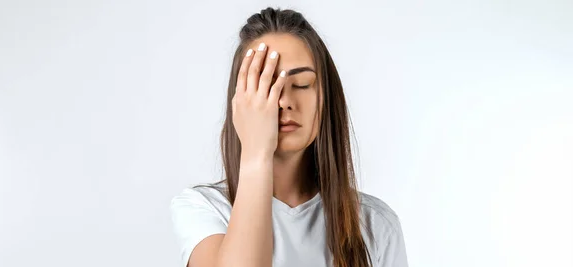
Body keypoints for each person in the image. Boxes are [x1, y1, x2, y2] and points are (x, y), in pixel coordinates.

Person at [170, 7, 408, 267]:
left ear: (326, 98)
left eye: (302, 84)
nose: (284, 101)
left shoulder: (376, 224)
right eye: (265, 85)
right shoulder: (205, 209)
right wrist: (256, 152)